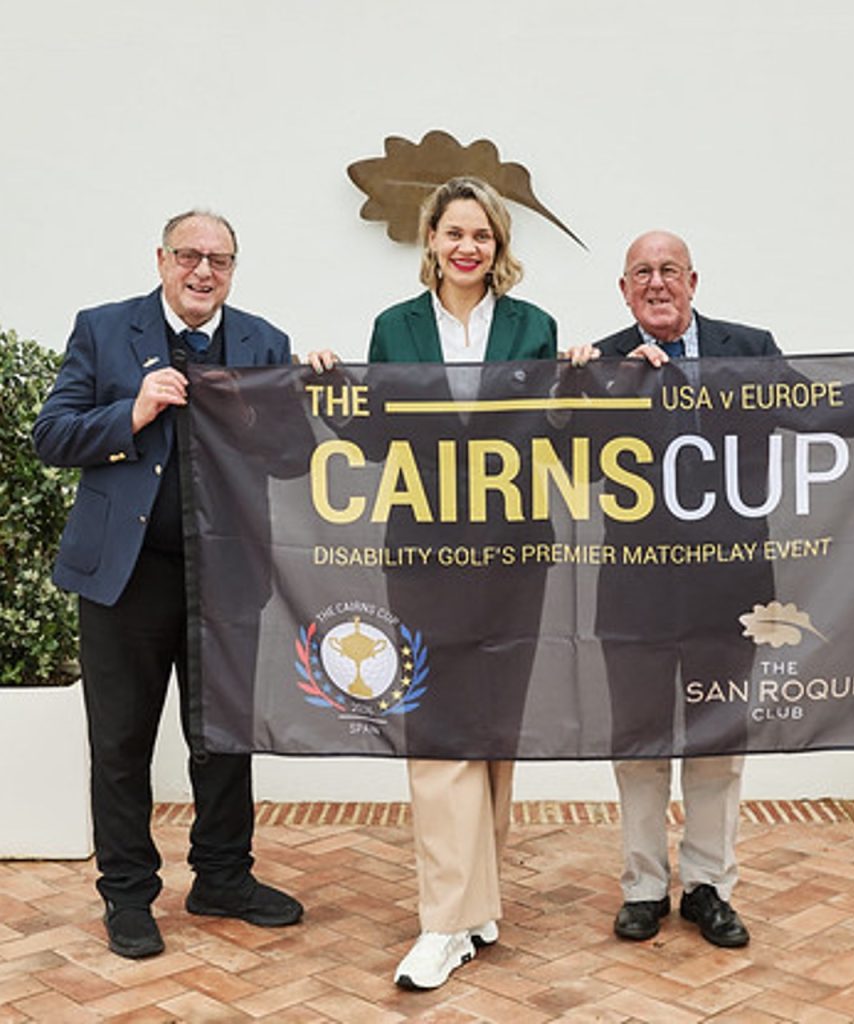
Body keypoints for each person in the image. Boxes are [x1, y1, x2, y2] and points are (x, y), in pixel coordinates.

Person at [567, 230, 854, 950]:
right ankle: (641, 887)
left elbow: (823, 410)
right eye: (642, 273)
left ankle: (708, 886)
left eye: (669, 270)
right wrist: (602, 391)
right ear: (624, 290)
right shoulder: (600, 361)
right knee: (638, 744)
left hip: (729, 584)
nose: (657, 283)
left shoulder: (750, 349)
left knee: (720, 742)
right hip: (633, 590)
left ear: (695, 281)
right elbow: (569, 460)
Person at [32, 210, 304, 960]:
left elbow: (293, 461)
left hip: (226, 576)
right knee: (120, 742)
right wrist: (134, 410)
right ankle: (127, 894)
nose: (203, 272)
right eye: (189, 255)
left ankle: (222, 876)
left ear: (233, 269)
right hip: (124, 579)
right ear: (162, 259)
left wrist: (279, 415)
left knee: (223, 741)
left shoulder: (263, 342)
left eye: (219, 259)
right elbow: (51, 434)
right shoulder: (102, 329)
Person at [313, 176, 557, 989]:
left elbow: (554, 431)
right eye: (455, 232)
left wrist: (588, 381)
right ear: (431, 241)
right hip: (422, 549)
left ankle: (478, 900)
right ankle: (444, 921)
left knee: (493, 721)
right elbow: (378, 433)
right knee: (439, 724)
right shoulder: (395, 327)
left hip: (515, 547)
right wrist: (326, 386)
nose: (467, 247)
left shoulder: (534, 327)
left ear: (498, 246)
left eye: (482, 235)